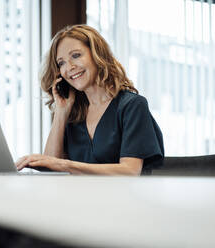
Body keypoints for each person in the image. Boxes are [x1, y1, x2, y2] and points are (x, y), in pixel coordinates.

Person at [15, 24, 164, 175]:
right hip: (78, 197)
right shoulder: (74, 113)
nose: (69, 67)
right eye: (61, 63)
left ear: (97, 55)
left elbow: (130, 171)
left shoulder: (132, 105)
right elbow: (50, 170)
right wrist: (61, 114)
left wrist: (65, 165)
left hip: (122, 198)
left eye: (76, 55)